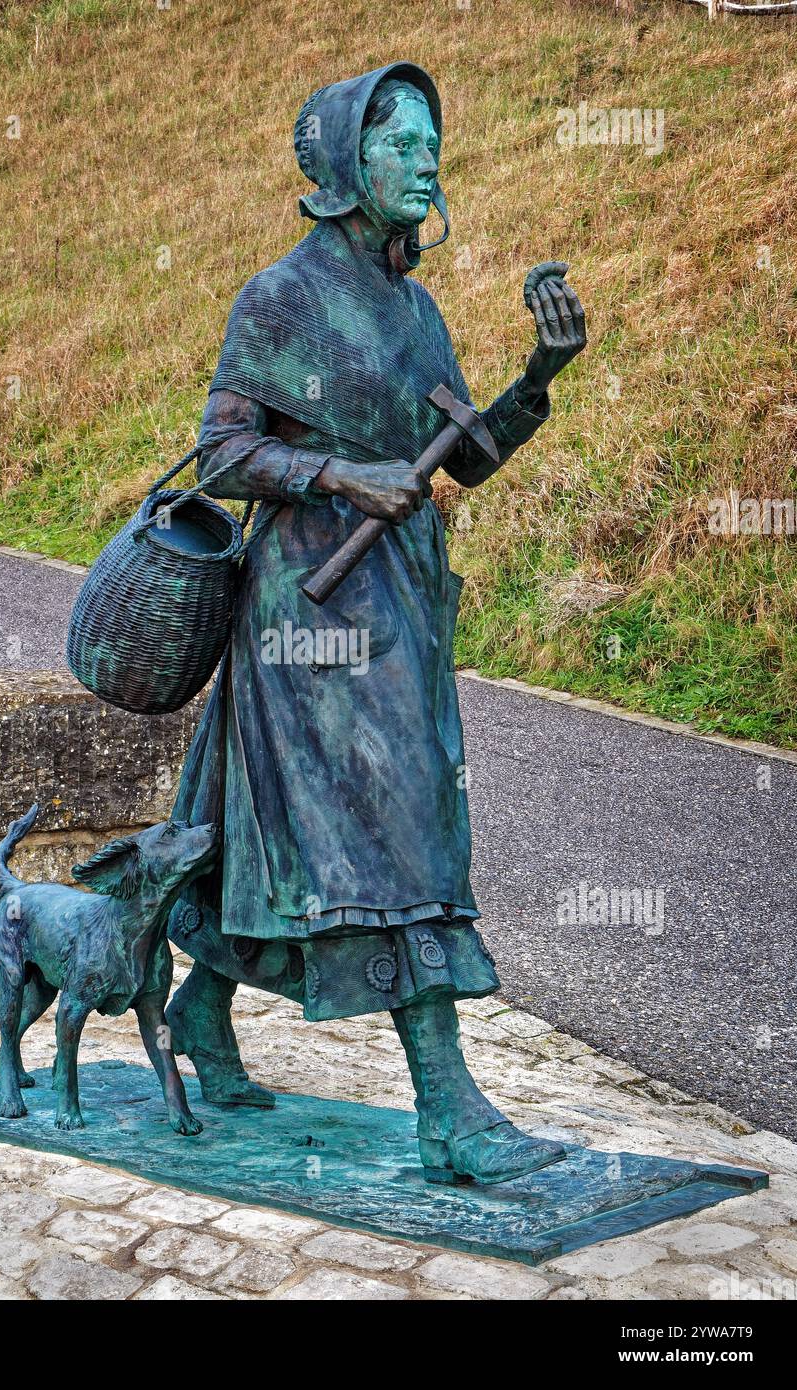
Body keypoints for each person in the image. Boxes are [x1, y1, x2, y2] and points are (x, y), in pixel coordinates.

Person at [165, 63, 587, 1184]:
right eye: (404, 142)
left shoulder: (417, 308)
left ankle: (201, 1009)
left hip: (399, 603)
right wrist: (342, 477)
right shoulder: (281, 298)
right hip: (307, 615)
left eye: (435, 141)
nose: (428, 160)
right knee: (397, 833)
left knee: (317, 835)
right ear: (350, 158)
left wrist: (540, 375)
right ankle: (447, 1105)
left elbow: (473, 458)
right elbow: (220, 453)